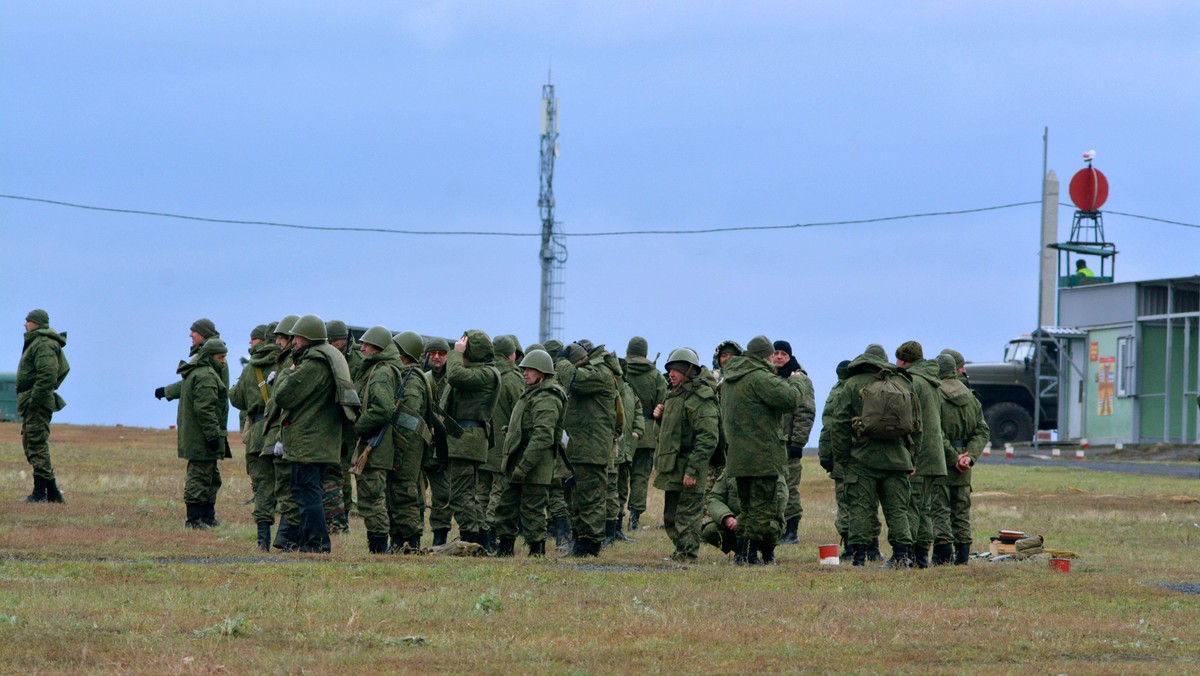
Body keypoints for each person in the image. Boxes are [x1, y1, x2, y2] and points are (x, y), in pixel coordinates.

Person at [273, 314, 358, 553]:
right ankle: (312, 541)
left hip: (308, 442)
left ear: (308, 337)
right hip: (320, 441)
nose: (294, 342)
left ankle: (316, 543)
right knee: (311, 491)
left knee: (306, 493)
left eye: (297, 337)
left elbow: (283, 395)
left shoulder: (313, 363)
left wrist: (288, 372)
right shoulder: (329, 356)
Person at [831, 344, 918, 568]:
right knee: (897, 509)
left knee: (860, 508)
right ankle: (901, 556)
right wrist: (911, 458)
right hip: (897, 459)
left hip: (861, 458)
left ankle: (859, 557)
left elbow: (839, 423)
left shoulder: (851, 384)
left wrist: (843, 458)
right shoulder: (903, 382)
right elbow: (917, 425)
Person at [720, 335, 800, 565]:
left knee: (747, 507)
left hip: (738, 455)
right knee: (762, 508)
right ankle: (748, 555)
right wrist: (797, 380)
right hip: (763, 455)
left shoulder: (730, 378)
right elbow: (790, 399)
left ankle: (744, 554)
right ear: (766, 356)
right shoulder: (759, 378)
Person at [494, 349, 567, 557]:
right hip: (518, 461)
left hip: (535, 465)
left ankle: (536, 552)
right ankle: (505, 549)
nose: (525, 373)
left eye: (530, 370)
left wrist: (524, 466)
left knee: (533, 510)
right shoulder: (530, 393)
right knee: (506, 507)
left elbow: (543, 436)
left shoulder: (548, 397)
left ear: (542, 373)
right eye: (524, 369)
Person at [652, 348, 719, 562]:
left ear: (688, 371)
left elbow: (708, 438)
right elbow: (673, 432)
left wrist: (693, 470)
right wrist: (661, 418)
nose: (671, 374)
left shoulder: (700, 397)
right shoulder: (673, 395)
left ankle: (687, 555)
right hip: (672, 466)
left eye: (676, 370)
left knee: (688, 515)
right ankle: (680, 551)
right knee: (671, 516)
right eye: (670, 369)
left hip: (689, 465)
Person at [561, 341, 620, 557]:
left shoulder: (600, 372)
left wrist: (561, 362)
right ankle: (581, 542)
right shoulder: (596, 370)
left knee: (592, 499)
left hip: (593, 448)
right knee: (578, 497)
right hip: (582, 447)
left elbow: (574, 380)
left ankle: (591, 544)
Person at [442, 330, 500, 547]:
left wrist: (456, 354)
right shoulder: (480, 372)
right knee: (469, 495)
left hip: (467, 439)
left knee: (459, 495)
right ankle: (481, 538)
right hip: (464, 439)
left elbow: (454, 375)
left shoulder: (486, 374)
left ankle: (471, 539)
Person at [932, 352, 990, 565]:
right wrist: (969, 457)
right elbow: (982, 431)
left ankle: (943, 557)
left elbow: (935, 431)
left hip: (942, 462)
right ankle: (963, 557)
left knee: (939, 510)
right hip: (965, 464)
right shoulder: (971, 396)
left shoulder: (936, 395)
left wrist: (952, 456)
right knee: (961, 512)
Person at [351, 326, 404, 554]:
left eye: (366, 344)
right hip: (374, 444)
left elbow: (382, 410)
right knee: (371, 499)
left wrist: (357, 427)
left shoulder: (381, 372)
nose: (361, 348)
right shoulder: (376, 368)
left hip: (375, 445)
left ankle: (379, 550)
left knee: (372, 500)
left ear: (379, 348)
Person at [228, 324, 280, 550]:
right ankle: (288, 539)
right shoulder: (286, 363)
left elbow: (237, 400)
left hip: (258, 434)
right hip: (282, 432)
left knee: (262, 487)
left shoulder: (251, 368)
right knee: (288, 486)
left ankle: (263, 541)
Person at [895, 340, 945, 569]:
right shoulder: (931, 381)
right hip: (935, 455)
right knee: (924, 508)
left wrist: (909, 456)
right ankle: (922, 557)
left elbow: (910, 422)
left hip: (919, 454)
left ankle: (908, 556)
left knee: (911, 506)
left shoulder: (912, 381)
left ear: (904, 360)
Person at [388, 332, 436, 551]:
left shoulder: (412, 381)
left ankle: (409, 541)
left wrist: (399, 448)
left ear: (404, 355)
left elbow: (411, 418)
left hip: (407, 445)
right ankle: (400, 539)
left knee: (405, 492)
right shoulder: (409, 376)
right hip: (406, 443)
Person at [175, 338, 231, 528]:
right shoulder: (206, 375)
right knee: (199, 477)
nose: (223, 361)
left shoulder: (202, 372)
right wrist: (213, 435)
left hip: (200, 436)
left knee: (211, 477)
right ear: (210, 357)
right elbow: (205, 410)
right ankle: (193, 520)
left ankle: (207, 517)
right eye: (220, 357)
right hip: (202, 438)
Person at [16, 309, 69, 503]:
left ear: (37, 323)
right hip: (34, 401)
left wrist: (34, 400)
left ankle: (41, 493)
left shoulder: (44, 344)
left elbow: (47, 375)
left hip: (37, 402)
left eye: (28, 321)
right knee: (31, 443)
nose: (25, 324)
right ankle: (52, 493)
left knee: (36, 444)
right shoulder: (38, 342)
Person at [478, 334, 524, 549]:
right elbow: (521, 408)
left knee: (481, 492)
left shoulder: (483, 373)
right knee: (499, 491)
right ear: (511, 355)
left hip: (482, 443)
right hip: (503, 445)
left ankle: (478, 532)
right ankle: (490, 533)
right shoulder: (513, 378)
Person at [771, 340, 816, 545]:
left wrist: (798, 442)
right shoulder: (767, 378)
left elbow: (805, 412)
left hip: (789, 445)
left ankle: (791, 531)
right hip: (769, 445)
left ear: (790, 357)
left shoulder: (800, 380)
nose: (779, 357)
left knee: (789, 488)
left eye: (783, 354)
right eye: (776, 353)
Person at [623, 336, 667, 532]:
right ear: (646, 353)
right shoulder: (656, 376)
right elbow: (663, 404)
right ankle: (634, 519)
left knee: (620, 476)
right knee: (640, 477)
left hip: (625, 430)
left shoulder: (622, 371)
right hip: (648, 434)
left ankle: (615, 518)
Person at [422, 336, 454, 545]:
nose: (436, 357)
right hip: (424, 442)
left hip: (446, 444)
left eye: (441, 353)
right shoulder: (423, 378)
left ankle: (440, 536)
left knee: (443, 494)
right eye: (432, 353)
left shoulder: (455, 379)